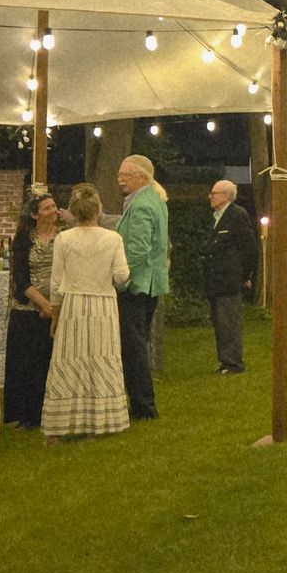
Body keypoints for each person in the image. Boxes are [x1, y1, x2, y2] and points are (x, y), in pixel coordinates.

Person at [41, 183, 130, 439]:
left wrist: (54, 314)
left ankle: (59, 426)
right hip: (103, 305)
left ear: (73, 210)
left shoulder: (63, 239)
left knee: (69, 359)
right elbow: (122, 275)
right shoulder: (113, 238)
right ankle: (98, 423)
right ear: (98, 209)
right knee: (100, 360)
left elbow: (55, 282)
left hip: (74, 306)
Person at [114, 154, 169, 420]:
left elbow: (137, 250)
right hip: (150, 283)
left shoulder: (142, 206)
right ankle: (141, 403)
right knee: (138, 344)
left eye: (125, 174)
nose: (120, 178)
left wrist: (121, 280)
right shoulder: (153, 200)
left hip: (137, 286)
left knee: (133, 347)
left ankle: (143, 406)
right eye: (120, 173)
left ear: (141, 177)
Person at [5, 191, 61, 427]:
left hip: (57, 306)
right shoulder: (23, 239)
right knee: (26, 361)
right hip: (28, 306)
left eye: (54, 206)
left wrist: (56, 307)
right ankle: (25, 414)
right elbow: (20, 277)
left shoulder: (64, 237)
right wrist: (44, 305)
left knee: (48, 360)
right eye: (47, 208)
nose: (53, 211)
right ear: (36, 215)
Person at [204, 178, 256, 374]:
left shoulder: (237, 215)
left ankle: (233, 362)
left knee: (229, 322)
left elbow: (248, 247)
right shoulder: (217, 217)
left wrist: (245, 274)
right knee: (219, 322)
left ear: (225, 196)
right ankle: (224, 360)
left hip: (229, 278)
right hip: (216, 280)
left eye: (214, 193)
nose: (211, 196)